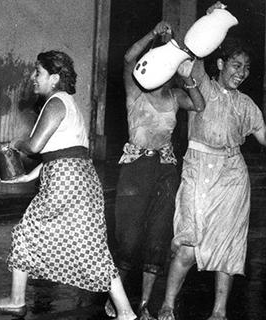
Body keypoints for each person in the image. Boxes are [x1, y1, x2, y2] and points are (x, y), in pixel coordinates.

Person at [157, 15, 266, 320]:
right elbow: (193, 50)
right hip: (197, 169)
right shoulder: (201, 84)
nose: (241, 73)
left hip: (232, 175)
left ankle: (219, 312)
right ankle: (168, 302)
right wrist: (210, 19)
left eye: (246, 69)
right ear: (220, 65)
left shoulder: (246, 104)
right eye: (236, 66)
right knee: (188, 244)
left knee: (228, 244)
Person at [0, 51, 137, 320]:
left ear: (53, 78)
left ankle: (17, 300)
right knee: (92, 247)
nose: (33, 77)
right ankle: (126, 313)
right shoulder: (69, 103)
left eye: (37, 72)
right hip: (80, 177)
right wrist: (28, 177)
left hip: (65, 180)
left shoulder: (55, 102)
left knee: (26, 232)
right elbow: (65, 150)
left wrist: (15, 143)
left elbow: (34, 147)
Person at [108, 22, 205, 319]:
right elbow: (127, 59)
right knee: (128, 238)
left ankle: (145, 304)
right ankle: (117, 299)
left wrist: (188, 79)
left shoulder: (175, 96)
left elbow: (199, 105)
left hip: (164, 168)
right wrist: (152, 34)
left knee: (158, 236)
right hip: (136, 168)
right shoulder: (135, 90)